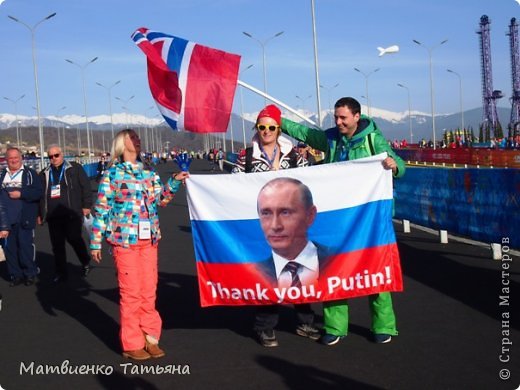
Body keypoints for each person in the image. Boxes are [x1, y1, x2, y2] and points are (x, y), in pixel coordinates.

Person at [278, 96, 406, 346]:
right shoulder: (331, 138)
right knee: (333, 270)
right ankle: (335, 327)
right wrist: (277, 120)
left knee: (375, 270)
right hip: (337, 219)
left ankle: (384, 325)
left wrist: (394, 165)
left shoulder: (373, 139)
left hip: (369, 220)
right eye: (336, 117)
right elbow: (304, 132)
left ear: (357, 117)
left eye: (343, 118)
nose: (338, 122)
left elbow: (400, 164)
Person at [90, 129, 189, 361]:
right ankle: (132, 342)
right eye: (131, 137)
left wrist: (173, 182)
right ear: (121, 145)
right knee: (131, 293)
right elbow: (102, 208)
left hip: (149, 240)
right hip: (124, 241)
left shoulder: (149, 173)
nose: (136, 140)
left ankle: (150, 336)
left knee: (148, 291)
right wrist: (95, 243)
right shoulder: (113, 174)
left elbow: (160, 201)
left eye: (137, 137)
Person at [232, 104, 318, 348]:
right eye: (262, 127)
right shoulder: (246, 156)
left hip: (293, 225)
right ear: (256, 128)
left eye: (271, 127)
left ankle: (304, 321)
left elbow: (313, 180)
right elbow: (233, 186)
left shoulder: (294, 156)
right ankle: (264, 325)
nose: (267, 131)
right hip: (263, 224)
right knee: (269, 273)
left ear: (279, 129)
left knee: (300, 271)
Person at [255, 177, 330, 288]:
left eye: (285, 212)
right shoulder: (250, 275)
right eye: (266, 213)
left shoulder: (343, 260)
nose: (275, 226)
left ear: (310, 215)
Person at [38, 144, 92, 283]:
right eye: (50, 156)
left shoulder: (74, 168)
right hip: (53, 216)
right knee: (57, 245)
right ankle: (61, 272)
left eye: (56, 155)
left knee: (74, 238)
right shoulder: (45, 173)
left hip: (72, 213)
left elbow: (85, 186)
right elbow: (41, 195)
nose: (53, 158)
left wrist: (87, 205)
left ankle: (85, 261)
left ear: (62, 154)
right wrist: (40, 213)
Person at [0, 147, 43, 286]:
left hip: (24, 217)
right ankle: (15, 275)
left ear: (21, 158)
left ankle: (30, 273)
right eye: (10, 158)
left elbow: (38, 193)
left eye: (16, 157)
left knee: (25, 247)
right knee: (9, 249)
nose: (13, 160)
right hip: (6, 220)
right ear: (6, 160)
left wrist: (21, 194)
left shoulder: (30, 174)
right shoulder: (2, 175)